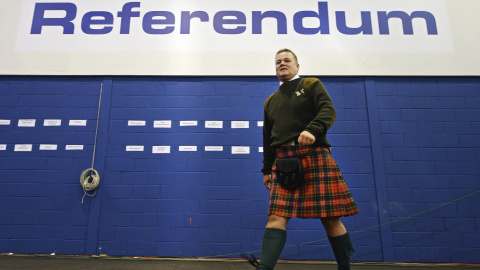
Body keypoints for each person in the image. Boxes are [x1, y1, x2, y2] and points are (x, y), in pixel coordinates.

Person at [255, 49, 360, 270]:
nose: (282, 64)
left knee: (330, 218)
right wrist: (266, 169)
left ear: (297, 66)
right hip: (283, 161)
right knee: (276, 217)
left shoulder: (310, 84)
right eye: (278, 62)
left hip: (314, 156)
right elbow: (268, 138)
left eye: (286, 61)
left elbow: (327, 110)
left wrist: (312, 129)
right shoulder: (270, 101)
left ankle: (345, 268)